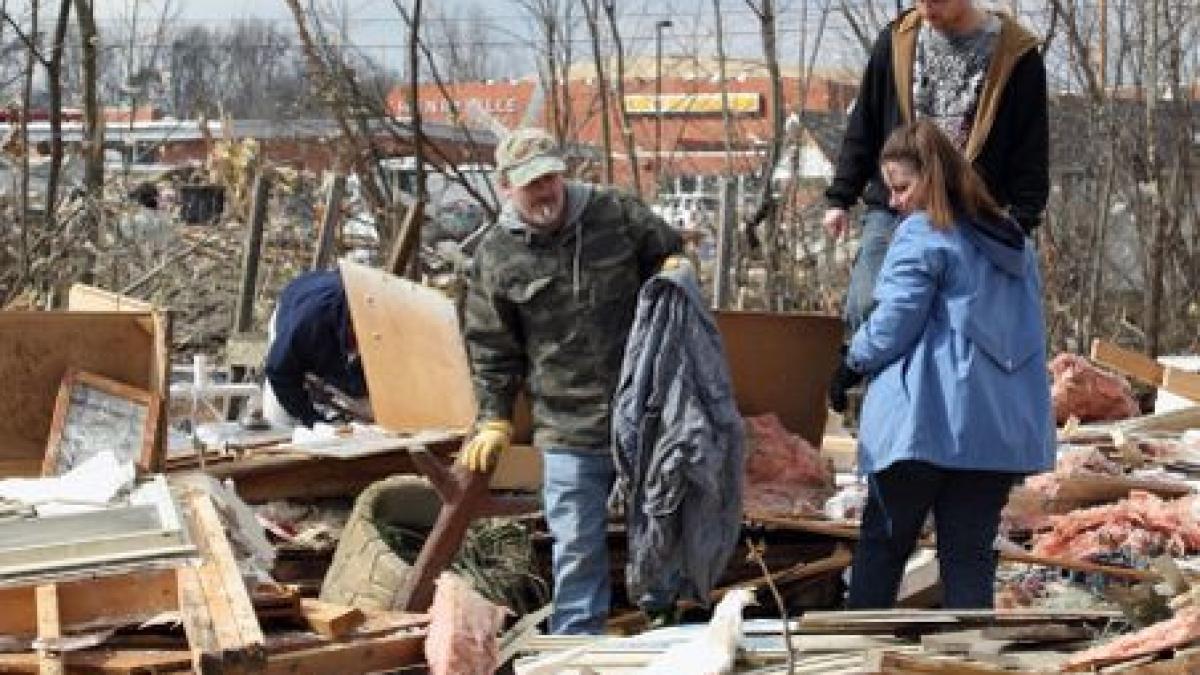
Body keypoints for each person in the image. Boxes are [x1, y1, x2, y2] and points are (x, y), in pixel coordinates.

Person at [458, 127, 682, 634]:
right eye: (532, 183)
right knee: (578, 550)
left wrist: (675, 269)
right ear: (506, 187)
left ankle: (673, 639)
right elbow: (492, 346)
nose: (546, 192)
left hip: (643, 413)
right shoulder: (496, 256)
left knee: (662, 533)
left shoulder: (615, 213)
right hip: (565, 426)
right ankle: (574, 652)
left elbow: (667, 249)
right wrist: (493, 417)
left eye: (551, 177)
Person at [827, 120, 1055, 609]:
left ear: (930, 179)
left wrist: (851, 362)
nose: (894, 202)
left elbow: (894, 322)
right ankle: (969, 659)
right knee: (969, 559)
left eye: (901, 187)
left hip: (923, 424)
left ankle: (861, 655)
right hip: (994, 432)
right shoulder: (1013, 242)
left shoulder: (924, 233)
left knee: (883, 549)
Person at [824, 0, 1049, 332]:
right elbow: (865, 125)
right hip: (897, 208)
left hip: (971, 213)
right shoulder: (897, 41)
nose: (927, 8)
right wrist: (840, 198)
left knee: (958, 322)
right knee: (869, 304)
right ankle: (878, 381)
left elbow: (1031, 150)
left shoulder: (1015, 55)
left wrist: (1019, 221)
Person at [263, 270, 368, 428]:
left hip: (332, 325)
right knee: (280, 422)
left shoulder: (387, 323)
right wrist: (310, 419)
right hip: (299, 314)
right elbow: (279, 372)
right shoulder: (306, 325)